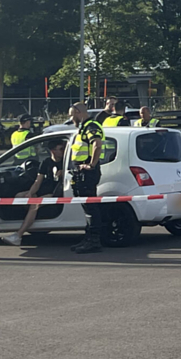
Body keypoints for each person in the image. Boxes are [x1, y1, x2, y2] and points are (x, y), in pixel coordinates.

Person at [1, 138, 67, 246]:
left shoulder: (65, 163)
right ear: (53, 151)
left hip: (54, 193)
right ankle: (28, 221)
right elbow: (38, 181)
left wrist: (62, 174)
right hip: (42, 191)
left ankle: (18, 235)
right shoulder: (46, 163)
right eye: (61, 149)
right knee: (19, 196)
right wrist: (30, 193)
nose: (63, 151)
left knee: (34, 204)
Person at [68, 102, 105, 254]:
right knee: (87, 207)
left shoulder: (91, 126)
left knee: (91, 208)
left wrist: (91, 164)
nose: (71, 119)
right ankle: (88, 238)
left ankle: (94, 241)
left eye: (72, 115)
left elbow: (97, 143)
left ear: (79, 112)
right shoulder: (84, 128)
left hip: (87, 174)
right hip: (81, 174)